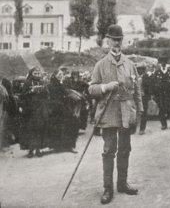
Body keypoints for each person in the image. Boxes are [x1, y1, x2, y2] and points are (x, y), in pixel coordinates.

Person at [89, 24, 143, 204]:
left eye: (119, 40)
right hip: (108, 113)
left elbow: (137, 89)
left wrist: (140, 110)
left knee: (125, 149)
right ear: (108, 41)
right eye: (113, 40)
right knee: (109, 150)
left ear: (122, 41)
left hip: (126, 114)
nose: (116, 43)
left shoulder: (129, 64)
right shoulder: (101, 65)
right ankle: (108, 189)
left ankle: (122, 184)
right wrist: (105, 87)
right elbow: (91, 88)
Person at [20, 66, 49, 158]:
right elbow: (22, 96)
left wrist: (44, 90)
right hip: (30, 110)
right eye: (35, 73)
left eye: (38, 73)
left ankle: (38, 149)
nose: (37, 75)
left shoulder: (43, 82)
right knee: (31, 130)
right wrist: (31, 91)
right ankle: (30, 150)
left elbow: (47, 96)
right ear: (31, 74)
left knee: (40, 129)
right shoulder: (27, 83)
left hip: (40, 109)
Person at [47, 69, 78, 153]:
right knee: (57, 126)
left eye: (61, 74)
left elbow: (66, 93)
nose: (60, 75)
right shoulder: (50, 85)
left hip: (63, 106)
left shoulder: (62, 84)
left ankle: (69, 146)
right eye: (58, 74)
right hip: (55, 107)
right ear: (54, 75)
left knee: (69, 124)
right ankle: (57, 146)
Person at [154, 56, 170, 131]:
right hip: (161, 94)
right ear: (160, 63)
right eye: (162, 62)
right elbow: (155, 84)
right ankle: (163, 124)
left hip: (169, 94)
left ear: (166, 63)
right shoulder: (157, 72)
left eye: (165, 62)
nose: (163, 63)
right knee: (162, 109)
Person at [139, 64, 156, 135]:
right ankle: (139, 128)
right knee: (142, 112)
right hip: (143, 96)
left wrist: (152, 94)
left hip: (150, 95)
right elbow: (141, 85)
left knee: (145, 112)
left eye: (152, 67)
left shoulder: (154, 76)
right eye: (149, 67)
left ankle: (142, 129)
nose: (150, 69)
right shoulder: (144, 76)